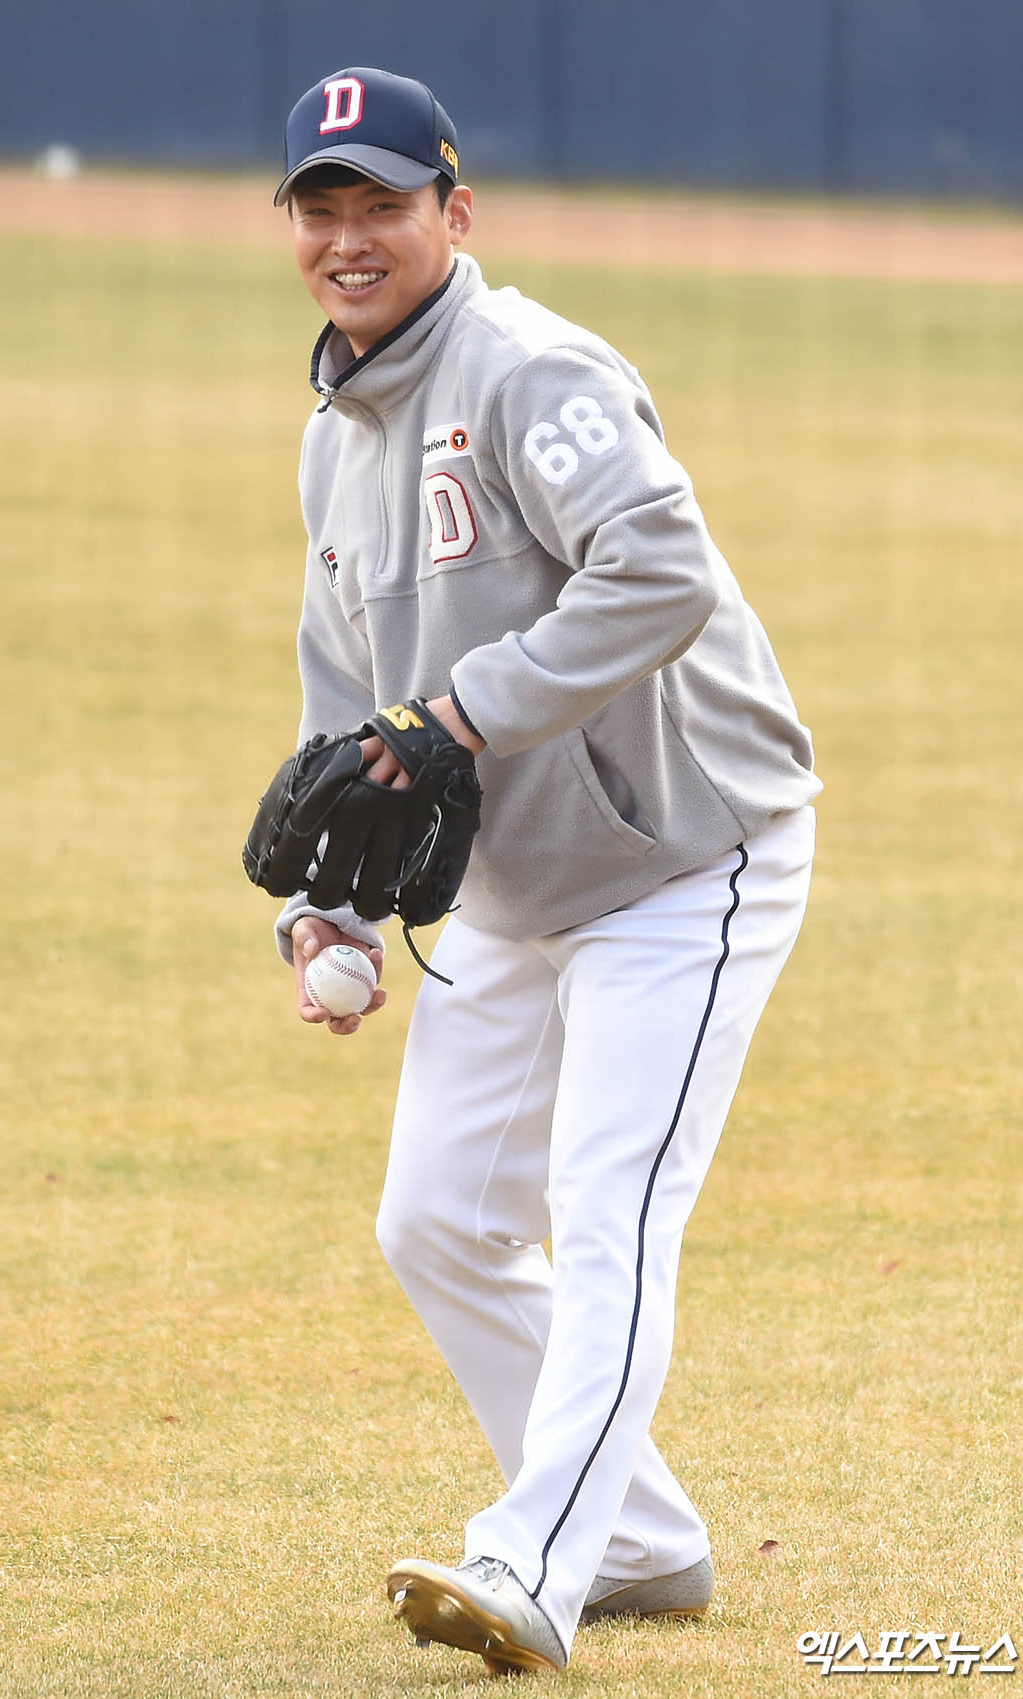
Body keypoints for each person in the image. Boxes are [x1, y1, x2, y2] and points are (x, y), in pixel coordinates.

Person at [267, 66, 821, 1676]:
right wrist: (327, 907)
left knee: (606, 1205)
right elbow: (345, 701)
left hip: (683, 854)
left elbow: (659, 572)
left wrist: (462, 712)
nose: (351, 237)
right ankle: (639, 1536)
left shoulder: (531, 371)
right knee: (437, 1219)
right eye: (321, 208)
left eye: (385, 203)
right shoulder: (335, 438)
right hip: (521, 889)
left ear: (456, 212)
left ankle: (535, 1562)